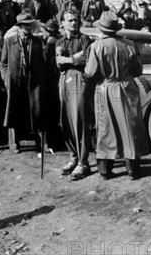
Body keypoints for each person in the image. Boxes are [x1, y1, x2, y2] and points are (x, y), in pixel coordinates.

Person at [85, 12, 149, 180]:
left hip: (107, 88)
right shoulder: (129, 44)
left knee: (106, 128)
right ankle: (133, 169)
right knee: (130, 127)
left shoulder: (97, 46)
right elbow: (138, 70)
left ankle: (105, 171)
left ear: (102, 29)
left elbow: (90, 73)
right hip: (128, 88)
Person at [55, 10, 93, 180]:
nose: (74, 23)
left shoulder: (84, 39)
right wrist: (73, 58)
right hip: (64, 80)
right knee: (66, 121)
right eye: (70, 20)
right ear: (62, 23)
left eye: (76, 20)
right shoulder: (60, 41)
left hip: (79, 80)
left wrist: (67, 59)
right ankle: (73, 156)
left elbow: (86, 58)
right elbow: (58, 62)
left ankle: (84, 163)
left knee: (80, 119)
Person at [0, 12, 45, 153]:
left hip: (32, 83)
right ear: (19, 26)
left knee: (36, 111)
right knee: (14, 111)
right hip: (14, 82)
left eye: (30, 24)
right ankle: (14, 143)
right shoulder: (9, 41)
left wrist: (40, 78)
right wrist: (7, 79)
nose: (28, 27)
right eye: (25, 25)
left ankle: (40, 143)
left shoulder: (37, 41)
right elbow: (3, 63)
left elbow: (42, 63)